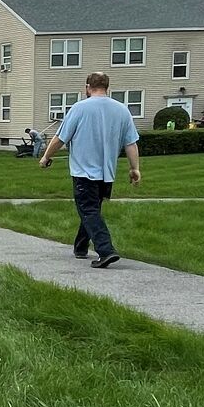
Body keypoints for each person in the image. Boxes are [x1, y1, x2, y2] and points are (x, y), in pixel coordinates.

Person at [39, 70, 140, 267]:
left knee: (89, 210)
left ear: (87, 87)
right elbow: (131, 143)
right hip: (106, 173)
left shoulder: (79, 108)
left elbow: (60, 137)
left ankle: (106, 250)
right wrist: (134, 168)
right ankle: (80, 247)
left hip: (83, 172)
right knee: (91, 209)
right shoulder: (122, 110)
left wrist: (45, 157)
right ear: (107, 87)